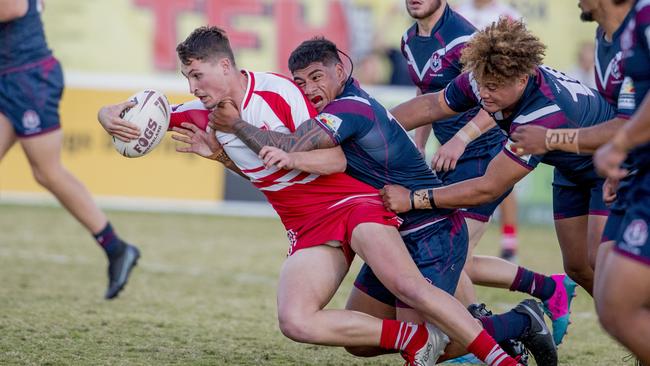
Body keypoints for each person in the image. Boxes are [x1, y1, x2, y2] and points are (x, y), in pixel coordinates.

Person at [98, 26, 533, 366]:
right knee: (296, 321)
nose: (191, 86)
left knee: (409, 287)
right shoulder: (204, 115)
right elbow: (146, 119)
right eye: (185, 76)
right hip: (303, 226)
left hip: (349, 204)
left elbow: (336, 162)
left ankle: (500, 353)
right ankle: (417, 339)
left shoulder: (278, 93)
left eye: (197, 74)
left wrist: (242, 136)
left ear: (225, 67)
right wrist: (108, 114)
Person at [209, 36, 557, 366]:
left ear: (340, 71)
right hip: (393, 234)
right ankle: (516, 323)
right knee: (362, 342)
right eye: (300, 83)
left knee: (425, 342)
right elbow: (288, 171)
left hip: (429, 233)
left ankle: (516, 327)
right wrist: (225, 157)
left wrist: (236, 123)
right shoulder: (342, 110)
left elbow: (288, 148)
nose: (309, 89)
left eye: (317, 77)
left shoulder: (347, 109)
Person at [381, 18, 616, 308]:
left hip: (614, 163)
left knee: (603, 261)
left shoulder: (539, 114)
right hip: (572, 169)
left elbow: (487, 188)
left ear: (522, 79)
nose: (484, 94)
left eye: (493, 87)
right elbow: (432, 105)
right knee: (578, 268)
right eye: (481, 85)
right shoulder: (485, 77)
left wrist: (414, 199)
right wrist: (373, 124)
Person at [397, 2, 572, 347]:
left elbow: (494, 97)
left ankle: (479, 337)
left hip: (485, 151)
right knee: (453, 252)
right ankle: (549, 290)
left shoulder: (464, 37)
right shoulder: (408, 40)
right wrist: (420, 144)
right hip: (452, 154)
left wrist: (461, 139)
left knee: (449, 250)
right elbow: (427, 97)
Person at [0, 0, 139, 299]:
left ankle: (117, 248)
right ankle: (117, 249)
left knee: (48, 172)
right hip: (14, 74)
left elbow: (11, 8)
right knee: (46, 172)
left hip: (27, 78)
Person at [507, 0, 634, 283]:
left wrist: (551, 138)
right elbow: (614, 110)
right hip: (591, 158)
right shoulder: (603, 37)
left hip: (625, 154)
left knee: (607, 259)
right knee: (578, 266)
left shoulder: (637, 33)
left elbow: (627, 122)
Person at [591, 0, 650, 363]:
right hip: (637, 174)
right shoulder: (625, 28)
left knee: (617, 306)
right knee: (608, 294)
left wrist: (618, 144)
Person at [454, 0, 523, 263]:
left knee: (504, 176)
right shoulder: (458, 12)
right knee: (453, 172)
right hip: (460, 109)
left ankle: (509, 242)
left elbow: (520, 68)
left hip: (497, 112)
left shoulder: (507, 16)